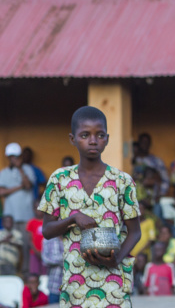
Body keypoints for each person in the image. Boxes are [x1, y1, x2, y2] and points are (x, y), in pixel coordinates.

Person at [38, 106, 141, 308]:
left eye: (99, 135)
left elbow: (135, 231)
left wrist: (117, 259)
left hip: (114, 285)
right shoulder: (60, 179)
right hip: (75, 285)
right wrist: (73, 218)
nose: (93, 141)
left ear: (107, 139)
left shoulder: (122, 181)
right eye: (85, 135)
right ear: (72, 139)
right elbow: (47, 231)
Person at [0, 142, 36, 275]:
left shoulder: (27, 169)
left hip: (27, 216)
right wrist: (18, 187)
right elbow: (1, 192)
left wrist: (20, 169)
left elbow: (28, 185)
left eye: (16, 156)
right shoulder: (3, 173)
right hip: (11, 217)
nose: (14, 159)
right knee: (10, 245)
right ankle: (13, 274)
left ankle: (26, 274)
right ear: (8, 157)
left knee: (26, 246)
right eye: (11, 156)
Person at [41, 236, 64, 304]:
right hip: (54, 285)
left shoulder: (71, 237)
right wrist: (64, 259)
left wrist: (56, 260)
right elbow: (45, 260)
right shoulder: (48, 239)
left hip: (70, 286)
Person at [26, 200, 46, 275]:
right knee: (34, 273)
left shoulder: (47, 222)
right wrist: (36, 252)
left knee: (45, 275)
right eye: (36, 208)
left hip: (46, 253)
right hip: (34, 253)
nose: (38, 210)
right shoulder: (31, 222)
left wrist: (44, 252)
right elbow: (29, 240)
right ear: (33, 210)